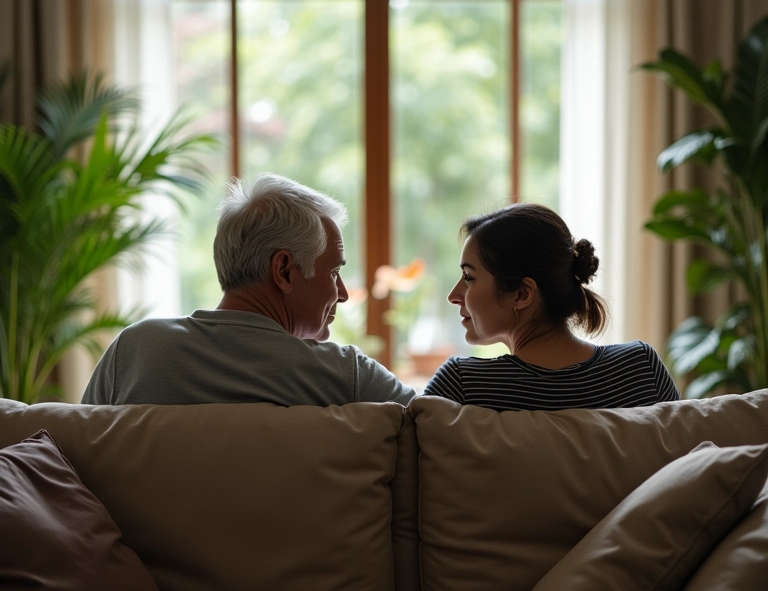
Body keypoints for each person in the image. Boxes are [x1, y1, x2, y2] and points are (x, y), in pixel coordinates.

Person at [81, 173, 416, 407]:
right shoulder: (345, 377)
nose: (342, 293)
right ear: (284, 270)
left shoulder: (134, 352)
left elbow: (74, 454)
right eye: (334, 272)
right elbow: (441, 429)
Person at [424, 202, 680, 411]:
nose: (453, 295)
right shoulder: (641, 367)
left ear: (522, 294)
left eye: (469, 278)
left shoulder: (460, 386)